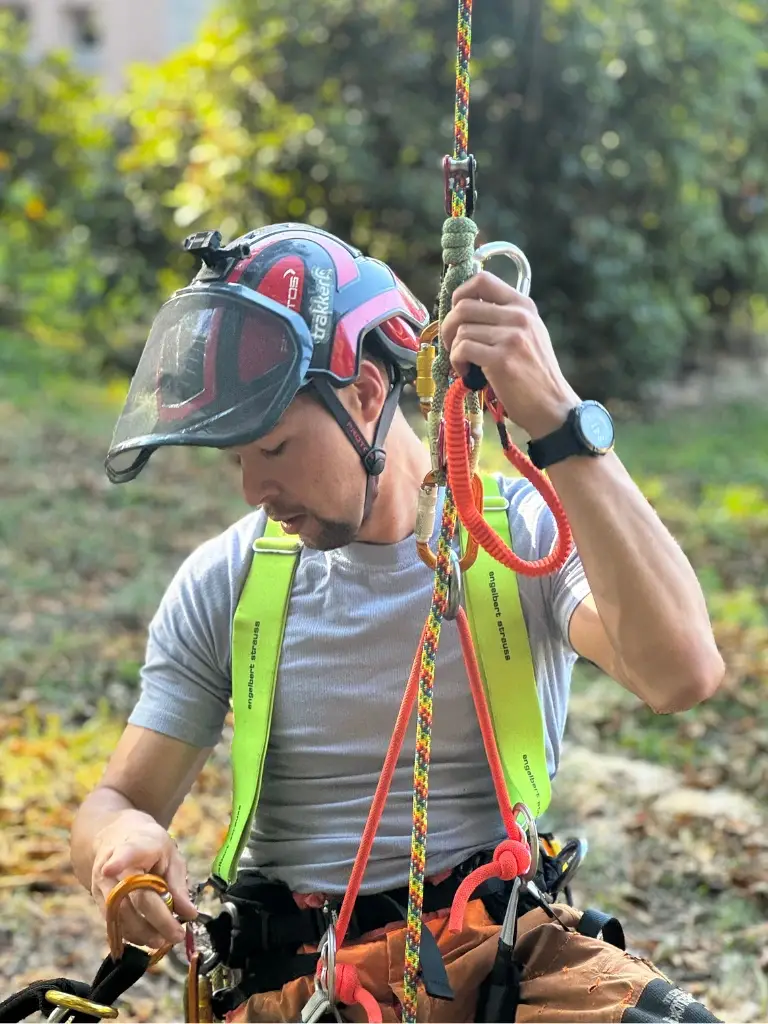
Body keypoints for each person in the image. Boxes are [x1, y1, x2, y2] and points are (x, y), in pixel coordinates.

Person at [70, 223, 725, 1023]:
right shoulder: (228, 582)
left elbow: (680, 673)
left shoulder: (517, 535)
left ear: (367, 397)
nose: (252, 489)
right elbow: (118, 799)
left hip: (497, 958)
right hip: (301, 986)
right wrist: (118, 849)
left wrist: (559, 420)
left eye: (273, 449)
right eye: (234, 460)